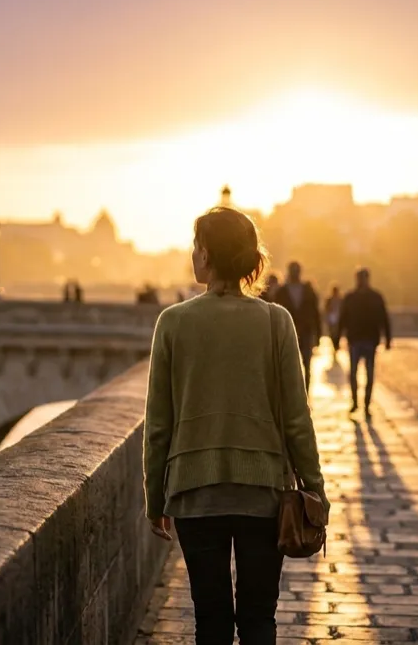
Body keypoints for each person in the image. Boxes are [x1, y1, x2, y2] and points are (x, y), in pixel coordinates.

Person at [143, 205, 328, 645]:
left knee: (211, 620)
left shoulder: (172, 323)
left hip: (194, 491)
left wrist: (155, 499)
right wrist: (315, 486)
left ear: (207, 255)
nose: (193, 254)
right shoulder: (276, 322)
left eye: (196, 246)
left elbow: (159, 424)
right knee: (259, 617)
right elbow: (296, 418)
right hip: (262, 492)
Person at [338, 268, 391, 418]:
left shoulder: (353, 297)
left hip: (364, 339)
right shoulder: (373, 297)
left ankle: (363, 404)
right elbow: (384, 319)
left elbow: (383, 318)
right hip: (361, 339)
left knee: (363, 373)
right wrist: (387, 338)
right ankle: (359, 403)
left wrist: (387, 338)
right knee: (360, 373)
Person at [273, 262, 321, 388]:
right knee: (288, 365)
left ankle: (305, 392)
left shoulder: (308, 291)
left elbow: (316, 313)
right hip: (287, 333)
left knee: (306, 364)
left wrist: (318, 335)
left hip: (306, 331)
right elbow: (275, 314)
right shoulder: (282, 292)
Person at [324, 285, 343, 353]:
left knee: (338, 333)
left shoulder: (341, 299)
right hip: (331, 318)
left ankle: (336, 345)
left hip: (338, 319)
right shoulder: (329, 300)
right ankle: (335, 345)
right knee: (332, 333)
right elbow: (326, 309)